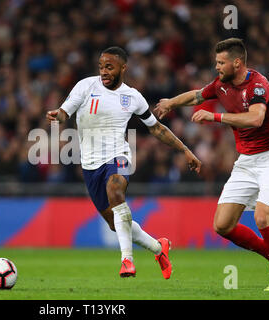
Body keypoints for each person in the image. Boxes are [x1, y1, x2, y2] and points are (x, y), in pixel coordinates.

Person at [46, 46, 202, 278]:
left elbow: (156, 128)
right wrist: (56, 115)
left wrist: (185, 149)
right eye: (101, 67)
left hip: (117, 156)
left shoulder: (132, 97)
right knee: (115, 222)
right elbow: (64, 113)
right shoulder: (85, 86)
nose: (104, 72)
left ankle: (127, 261)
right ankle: (159, 248)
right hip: (90, 165)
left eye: (109, 67)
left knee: (116, 189)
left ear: (123, 68)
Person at [155, 38, 269, 291]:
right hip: (247, 161)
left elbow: (256, 119)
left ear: (237, 63)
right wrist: (171, 102)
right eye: (216, 62)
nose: (216, 66)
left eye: (221, 62)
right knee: (222, 225)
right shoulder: (221, 84)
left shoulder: (259, 86)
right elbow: (197, 96)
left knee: (263, 218)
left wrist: (214, 116)